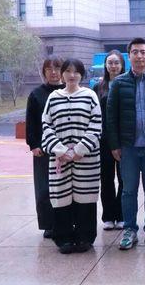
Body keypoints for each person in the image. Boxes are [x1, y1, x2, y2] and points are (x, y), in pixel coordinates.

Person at [106, 38, 145, 250]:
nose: (139, 56)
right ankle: (130, 229)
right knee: (128, 190)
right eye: (135, 52)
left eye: (143, 52)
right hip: (128, 147)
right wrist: (114, 145)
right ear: (129, 56)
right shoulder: (118, 83)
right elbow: (111, 117)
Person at [41, 58, 102, 254]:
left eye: (76, 71)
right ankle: (63, 238)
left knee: (86, 198)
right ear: (63, 74)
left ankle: (85, 237)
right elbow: (46, 126)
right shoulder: (54, 97)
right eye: (68, 71)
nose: (72, 75)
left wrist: (78, 150)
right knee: (61, 198)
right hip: (60, 159)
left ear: (82, 75)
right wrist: (61, 151)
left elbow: (96, 125)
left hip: (86, 158)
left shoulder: (90, 96)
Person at [25, 55, 64, 239]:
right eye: (49, 69)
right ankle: (49, 224)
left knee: (65, 188)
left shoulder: (70, 91)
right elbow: (31, 122)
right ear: (44, 72)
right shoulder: (36, 94)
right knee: (44, 189)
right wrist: (33, 144)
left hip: (66, 149)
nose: (54, 72)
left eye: (57, 68)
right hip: (44, 149)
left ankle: (67, 222)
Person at [93, 50, 125, 231]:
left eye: (116, 62)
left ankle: (121, 215)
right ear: (106, 65)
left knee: (124, 179)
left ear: (122, 65)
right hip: (103, 140)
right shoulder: (98, 87)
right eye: (110, 63)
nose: (113, 66)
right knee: (106, 179)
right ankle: (108, 216)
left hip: (123, 140)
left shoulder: (127, 84)